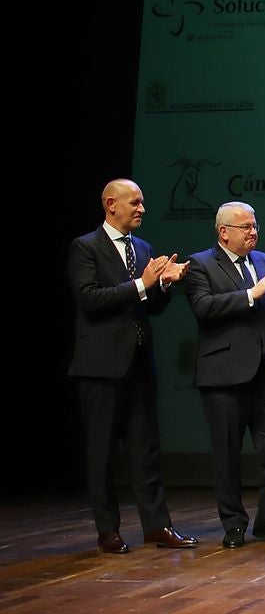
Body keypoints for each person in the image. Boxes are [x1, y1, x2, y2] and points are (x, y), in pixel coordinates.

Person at [67, 179, 197, 553]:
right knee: (102, 452)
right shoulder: (85, 247)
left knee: (146, 450)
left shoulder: (143, 248)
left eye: (142, 203)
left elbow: (150, 307)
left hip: (138, 364)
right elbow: (91, 300)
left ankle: (157, 525)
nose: (142, 209)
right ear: (111, 204)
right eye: (135, 203)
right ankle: (107, 529)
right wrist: (143, 282)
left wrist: (164, 285)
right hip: (101, 367)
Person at [186, 201, 265, 547]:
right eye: (246, 227)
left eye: (254, 226)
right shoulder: (201, 264)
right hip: (225, 376)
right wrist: (254, 292)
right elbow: (204, 308)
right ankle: (233, 524)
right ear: (224, 232)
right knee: (227, 453)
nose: (254, 232)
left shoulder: (264, 261)